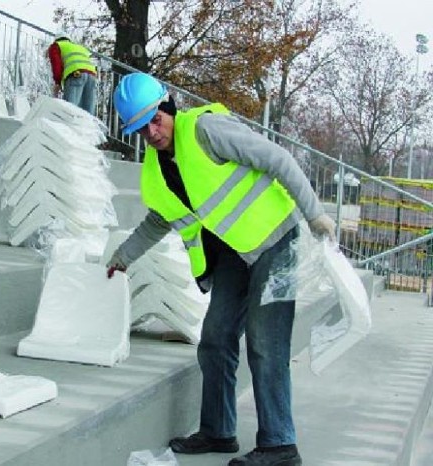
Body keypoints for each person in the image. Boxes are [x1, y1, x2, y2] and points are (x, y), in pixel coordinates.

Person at [106, 73, 336, 466]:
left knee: (266, 343)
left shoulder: (206, 130)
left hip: (274, 240)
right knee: (214, 338)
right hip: (233, 253)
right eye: (140, 129)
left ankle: (280, 444)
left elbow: (277, 159)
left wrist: (315, 214)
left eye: (154, 120)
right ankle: (218, 430)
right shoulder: (158, 167)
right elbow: (159, 220)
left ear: (168, 107)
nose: (151, 132)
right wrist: (122, 257)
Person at [47, 32, 97, 115]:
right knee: (88, 114)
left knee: (69, 111)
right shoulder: (79, 47)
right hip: (92, 76)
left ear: (56, 39)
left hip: (76, 75)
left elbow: (56, 64)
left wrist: (58, 83)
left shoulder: (56, 46)